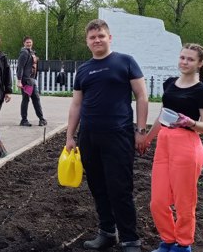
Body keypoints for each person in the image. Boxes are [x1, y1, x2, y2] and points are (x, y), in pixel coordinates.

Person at [65, 19, 149, 252]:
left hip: (119, 135)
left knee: (120, 188)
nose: (97, 40)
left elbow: (142, 96)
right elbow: (76, 105)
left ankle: (130, 239)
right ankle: (107, 233)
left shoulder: (126, 62)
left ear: (109, 38)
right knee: (98, 186)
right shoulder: (83, 70)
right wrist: (70, 136)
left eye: (101, 36)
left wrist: (140, 131)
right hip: (89, 137)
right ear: (87, 42)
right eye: (92, 37)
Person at [141, 43, 203, 252]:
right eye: (182, 57)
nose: (184, 62)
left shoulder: (202, 92)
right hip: (164, 142)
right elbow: (163, 114)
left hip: (187, 146)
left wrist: (189, 122)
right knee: (158, 201)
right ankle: (168, 240)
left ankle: (183, 245)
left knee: (184, 202)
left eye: (190, 59)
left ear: (199, 64)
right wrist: (147, 138)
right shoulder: (170, 83)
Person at [16, 36, 46, 127]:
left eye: (30, 42)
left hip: (31, 81)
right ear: (24, 43)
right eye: (27, 42)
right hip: (26, 81)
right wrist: (19, 81)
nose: (29, 44)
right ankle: (24, 120)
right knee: (26, 99)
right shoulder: (24, 53)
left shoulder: (32, 52)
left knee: (36, 99)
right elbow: (20, 67)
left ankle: (41, 119)